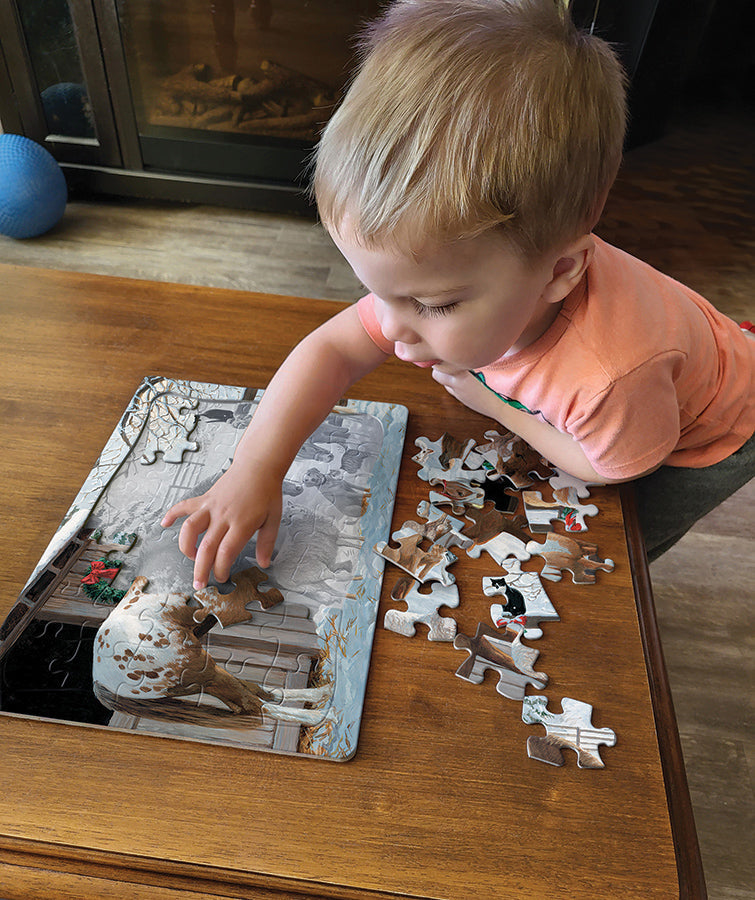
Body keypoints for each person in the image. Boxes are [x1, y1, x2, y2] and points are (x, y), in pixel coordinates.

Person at [162, 0, 755, 589]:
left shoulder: (610, 376)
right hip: (644, 381)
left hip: (712, 431)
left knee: (619, 558)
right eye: (375, 291)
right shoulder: (458, 271)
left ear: (559, 272)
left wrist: (488, 400)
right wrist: (253, 469)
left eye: (435, 305)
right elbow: (332, 351)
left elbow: (608, 466)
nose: (391, 328)